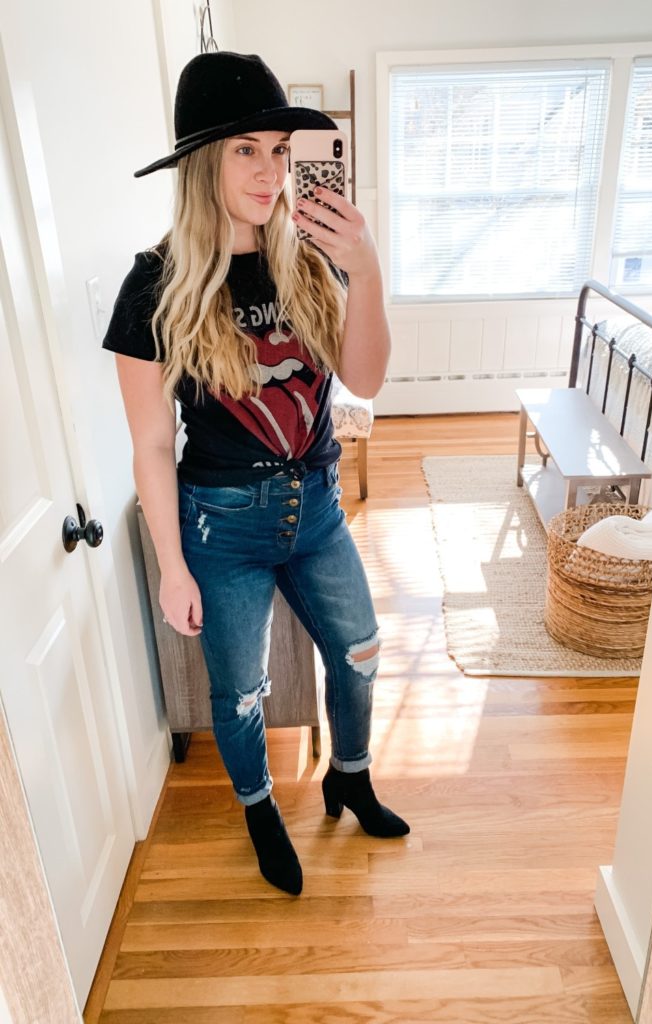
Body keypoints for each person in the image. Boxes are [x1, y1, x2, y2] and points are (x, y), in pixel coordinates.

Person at [102, 50, 409, 896]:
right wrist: (170, 567)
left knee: (360, 653)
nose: (271, 171)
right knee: (240, 693)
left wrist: (368, 268)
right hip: (221, 525)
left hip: (316, 508)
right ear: (204, 162)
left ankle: (348, 774)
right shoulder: (154, 286)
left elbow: (369, 378)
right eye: (247, 151)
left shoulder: (309, 255)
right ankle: (260, 806)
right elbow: (153, 445)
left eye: (279, 150)